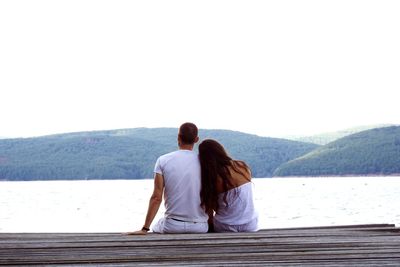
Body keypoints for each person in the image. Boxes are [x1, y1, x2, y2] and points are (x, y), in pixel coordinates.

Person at [129, 122, 208, 234]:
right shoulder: (205, 162)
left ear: (178, 137)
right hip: (200, 227)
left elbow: (156, 198)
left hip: (173, 226)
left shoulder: (163, 160)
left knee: (158, 225)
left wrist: (145, 229)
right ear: (196, 139)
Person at [198, 139, 258, 232]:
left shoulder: (212, 178)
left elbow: (209, 212)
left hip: (225, 226)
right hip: (250, 225)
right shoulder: (242, 166)